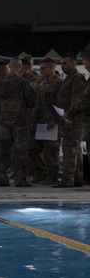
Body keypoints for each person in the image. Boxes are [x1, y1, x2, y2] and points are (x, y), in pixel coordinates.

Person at [0, 58, 37, 187]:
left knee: (3, 150)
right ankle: (20, 179)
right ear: (20, 66)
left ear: (9, 66)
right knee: (20, 151)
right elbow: (32, 101)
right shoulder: (23, 83)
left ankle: (2, 177)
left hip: (3, 121)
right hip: (20, 122)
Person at [30, 57, 64, 185]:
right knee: (32, 147)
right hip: (39, 121)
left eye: (44, 68)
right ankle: (41, 172)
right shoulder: (43, 83)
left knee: (51, 150)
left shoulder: (59, 83)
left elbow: (63, 103)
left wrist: (56, 120)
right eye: (40, 69)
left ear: (51, 68)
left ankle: (52, 176)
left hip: (52, 122)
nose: (41, 71)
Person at [55, 54, 85, 187]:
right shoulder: (69, 79)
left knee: (69, 149)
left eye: (65, 63)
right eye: (61, 63)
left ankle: (68, 179)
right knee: (74, 150)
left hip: (74, 119)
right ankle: (77, 177)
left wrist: (69, 116)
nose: (62, 66)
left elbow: (77, 100)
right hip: (69, 116)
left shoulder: (77, 78)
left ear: (73, 64)